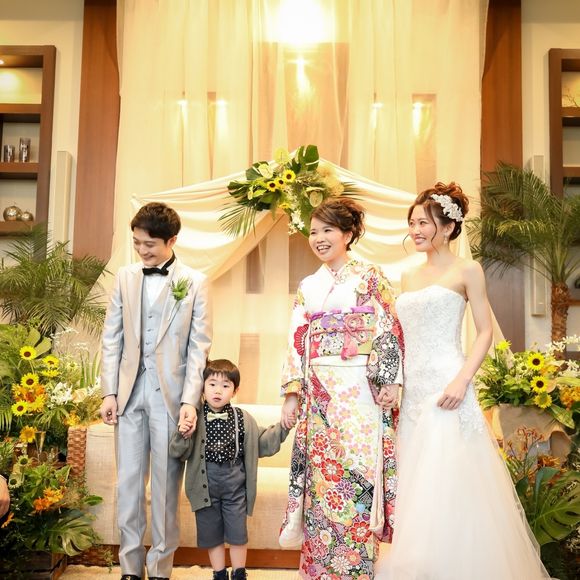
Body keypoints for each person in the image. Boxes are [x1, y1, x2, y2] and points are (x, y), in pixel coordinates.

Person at [376, 182, 549, 579]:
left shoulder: (467, 270)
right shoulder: (407, 275)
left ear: (449, 227)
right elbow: (400, 337)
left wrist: (462, 380)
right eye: (412, 223)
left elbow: (485, 331)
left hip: (448, 384)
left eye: (424, 223)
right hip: (413, 391)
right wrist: (394, 383)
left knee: (450, 479)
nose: (415, 230)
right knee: (416, 482)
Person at [279, 197, 403, 579]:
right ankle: (319, 569)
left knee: (359, 475)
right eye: (313, 231)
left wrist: (390, 380)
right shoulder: (309, 285)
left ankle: (357, 569)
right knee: (322, 481)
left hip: (360, 393)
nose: (318, 238)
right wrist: (292, 394)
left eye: (327, 230)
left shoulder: (370, 276)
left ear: (348, 234)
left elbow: (389, 327)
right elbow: (297, 338)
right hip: (320, 394)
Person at [100, 202, 212, 580]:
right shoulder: (125, 277)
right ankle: (130, 568)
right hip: (129, 395)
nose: (141, 250)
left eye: (149, 244)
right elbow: (111, 338)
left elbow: (199, 347)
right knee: (129, 485)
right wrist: (109, 392)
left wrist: (190, 401)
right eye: (136, 243)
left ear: (171, 241)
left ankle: (161, 568)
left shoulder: (195, 282)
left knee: (165, 490)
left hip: (171, 398)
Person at [170, 358, 290, 580]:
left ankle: (239, 573)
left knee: (237, 534)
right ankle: (219, 574)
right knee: (212, 535)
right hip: (205, 488)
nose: (218, 390)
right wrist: (183, 434)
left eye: (225, 385)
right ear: (202, 387)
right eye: (212, 384)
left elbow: (262, 443)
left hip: (235, 488)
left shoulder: (243, 418)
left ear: (235, 391)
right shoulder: (194, 417)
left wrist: (283, 428)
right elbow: (178, 452)